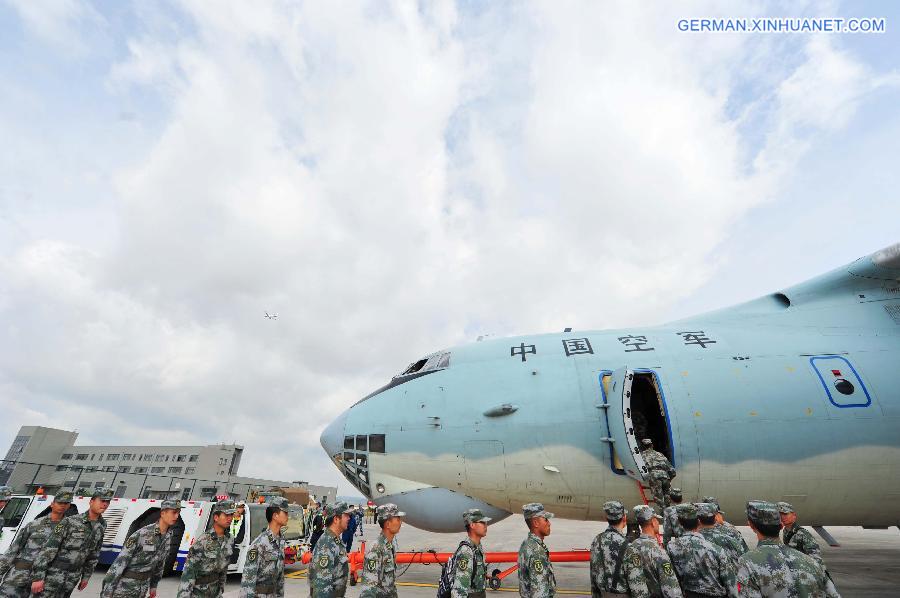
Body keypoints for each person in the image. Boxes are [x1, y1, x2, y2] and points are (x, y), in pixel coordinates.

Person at [736, 501, 840, 597]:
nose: (784, 517)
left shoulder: (747, 563)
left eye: (786, 514)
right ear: (781, 526)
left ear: (751, 525)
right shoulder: (811, 563)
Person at [32, 487, 112, 597]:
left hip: (71, 578)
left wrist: (86, 577)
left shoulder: (102, 525)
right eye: (102, 501)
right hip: (52, 576)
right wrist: (38, 577)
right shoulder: (70, 521)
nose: (105, 504)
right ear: (91, 502)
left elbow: (94, 553)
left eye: (107, 502)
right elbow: (48, 549)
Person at [101, 498, 181, 598]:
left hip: (142, 589)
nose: (176, 516)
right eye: (174, 512)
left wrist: (153, 586)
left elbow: (160, 564)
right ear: (163, 513)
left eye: (178, 513)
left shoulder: (168, 536)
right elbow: (119, 564)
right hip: (124, 588)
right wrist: (107, 591)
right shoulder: (142, 533)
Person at [0, 491, 73, 598]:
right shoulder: (34, 525)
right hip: (19, 575)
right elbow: (14, 550)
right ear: (52, 504)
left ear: (69, 506)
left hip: (46, 579)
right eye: (60, 502)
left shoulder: (70, 529)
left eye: (66, 503)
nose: (62, 506)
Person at [665, 504, 737, 598]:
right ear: (699, 522)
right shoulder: (716, 550)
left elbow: (672, 578)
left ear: (679, 522)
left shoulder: (671, 547)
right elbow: (731, 585)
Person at [176, 499, 235, 598]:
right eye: (226, 515)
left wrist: (221, 589)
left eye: (231, 515)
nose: (230, 518)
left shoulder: (230, 539)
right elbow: (188, 574)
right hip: (199, 593)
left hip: (216, 592)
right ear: (216, 517)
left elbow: (224, 569)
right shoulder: (202, 541)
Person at [621, 505, 683, 598]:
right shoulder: (658, 552)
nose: (658, 523)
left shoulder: (631, 547)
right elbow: (672, 589)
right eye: (657, 520)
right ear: (653, 522)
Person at [240, 497, 289, 598]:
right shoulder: (259, 544)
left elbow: (280, 579)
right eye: (285, 513)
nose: (288, 516)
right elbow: (248, 581)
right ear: (275, 516)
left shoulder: (281, 541)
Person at [359, 503, 405, 598]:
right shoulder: (376, 549)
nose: (401, 522)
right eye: (398, 519)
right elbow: (368, 589)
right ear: (388, 524)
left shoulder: (389, 545)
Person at [309, 501, 351, 598]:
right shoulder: (326, 545)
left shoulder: (335, 541)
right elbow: (321, 589)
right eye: (346, 515)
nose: (349, 518)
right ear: (336, 519)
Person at [590, 501, 629, 597]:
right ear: (624, 518)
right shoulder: (627, 545)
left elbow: (593, 572)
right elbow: (636, 581)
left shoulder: (597, 540)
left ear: (606, 518)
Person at [517, 503, 556, 598]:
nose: (549, 523)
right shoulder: (537, 552)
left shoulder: (526, 544)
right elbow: (539, 593)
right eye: (546, 519)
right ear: (535, 523)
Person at [450, 508, 491, 598]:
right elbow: (459, 590)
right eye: (482, 522)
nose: (486, 525)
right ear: (472, 525)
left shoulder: (477, 546)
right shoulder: (466, 552)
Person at [776, 503, 825, 569]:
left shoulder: (803, 534)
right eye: (780, 515)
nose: (783, 517)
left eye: (785, 514)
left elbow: (816, 559)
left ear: (794, 516)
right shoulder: (786, 531)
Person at [641, 440, 675, 509]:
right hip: (665, 476)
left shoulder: (642, 455)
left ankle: (664, 514)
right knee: (667, 498)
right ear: (652, 445)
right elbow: (672, 470)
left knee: (659, 500)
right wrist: (669, 479)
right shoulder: (659, 454)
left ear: (643, 447)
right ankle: (669, 512)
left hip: (654, 477)